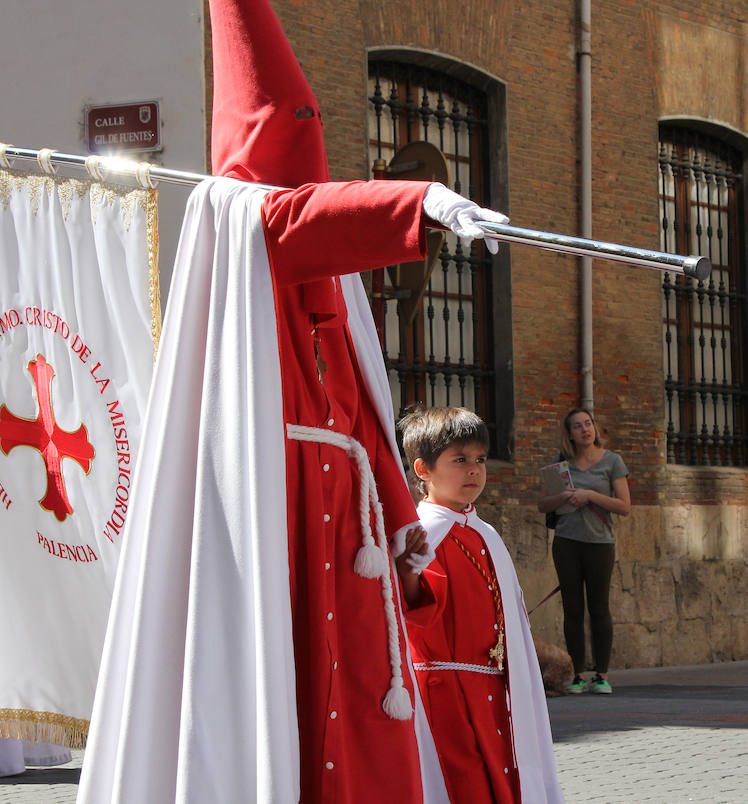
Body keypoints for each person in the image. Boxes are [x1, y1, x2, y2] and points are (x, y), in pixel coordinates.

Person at [77, 1, 507, 801]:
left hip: (342, 524)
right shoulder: (241, 219)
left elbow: (369, 428)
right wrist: (423, 206)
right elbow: (297, 219)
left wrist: (396, 522)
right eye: (295, 131)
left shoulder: (334, 292)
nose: (310, 155)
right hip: (269, 513)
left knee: (349, 702)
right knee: (282, 686)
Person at [396, 406, 564, 803]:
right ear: (423, 470)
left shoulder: (485, 532)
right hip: (445, 691)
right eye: (459, 460)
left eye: (480, 460)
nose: (473, 470)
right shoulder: (419, 533)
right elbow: (412, 611)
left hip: (492, 688)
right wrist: (406, 572)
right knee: (461, 785)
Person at [537, 408, 630, 695]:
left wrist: (590, 495)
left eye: (588, 423)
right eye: (577, 426)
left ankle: (600, 674)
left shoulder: (612, 461)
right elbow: (543, 505)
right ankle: (577, 674)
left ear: (594, 427)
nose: (585, 429)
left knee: (599, 607)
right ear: (570, 434)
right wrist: (562, 497)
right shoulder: (561, 463)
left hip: (600, 543)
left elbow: (624, 506)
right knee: (573, 609)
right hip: (566, 542)